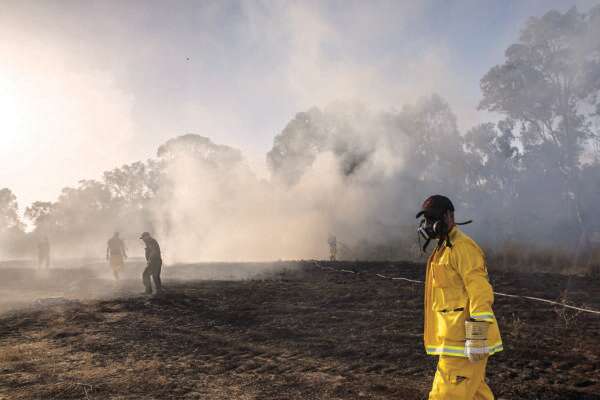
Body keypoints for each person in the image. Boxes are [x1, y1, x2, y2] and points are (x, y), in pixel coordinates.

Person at [416, 195, 503, 400]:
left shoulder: (463, 248)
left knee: (445, 396)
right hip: (454, 342)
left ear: (449, 216)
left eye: (433, 218)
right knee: (476, 395)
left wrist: (477, 336)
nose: (429, 224)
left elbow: (480, 290)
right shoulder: (443, 249)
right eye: (426, 219)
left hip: (464, 344)